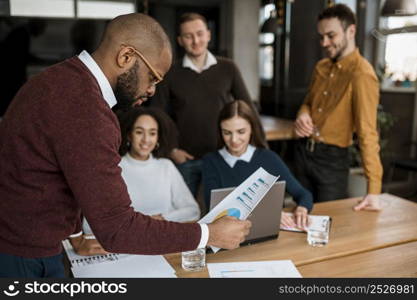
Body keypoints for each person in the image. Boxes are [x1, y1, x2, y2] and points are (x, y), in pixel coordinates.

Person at [0, 13, 251, 278]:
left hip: (24, 240)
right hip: (25, 256)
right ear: (126, 57)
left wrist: (75, 233)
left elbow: (56, 171)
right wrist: (210, 233)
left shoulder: (56, 79)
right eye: (153, 77)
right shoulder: (87, 110)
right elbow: (117, 228)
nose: (153, 90)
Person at [149, 12, 264, 198]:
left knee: (226, 212)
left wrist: (262, 151)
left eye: (200, 33)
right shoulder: (170, 73)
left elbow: (248, 109)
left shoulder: (228, 68)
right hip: (186, 159)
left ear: (209, 35)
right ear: (180, 40)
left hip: (224, 156)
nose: (196, 40)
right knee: (185, 215)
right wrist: (170, 150)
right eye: (188, 36)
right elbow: (156, 115)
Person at [293, 4, 383, 211]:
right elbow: (307, 102)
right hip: (303, 153)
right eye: (321, 36)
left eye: (331, 36)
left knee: (326, 224)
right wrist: (303, 115)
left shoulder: (362, 74)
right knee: (298, 218)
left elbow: (367, 132)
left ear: (351, 31)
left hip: (331, 162)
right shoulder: (321, 67)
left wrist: (373, 189)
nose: (324, 43)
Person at [79, 107, 201, 254]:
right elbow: (89, 224)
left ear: (158, 138)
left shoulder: (166, 166)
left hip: (164, 245)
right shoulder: (113, 168)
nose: (146, 140)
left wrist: (159, 219)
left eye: (152, 133)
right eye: (139, 132)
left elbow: (193, 211)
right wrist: (137, 226)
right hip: (123, 249)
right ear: (129, 135)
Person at [203, 100, 314, 229]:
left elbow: (303, 194)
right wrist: (269, 215)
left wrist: (302, 209)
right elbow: (215, 210)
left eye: (241, 132)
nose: (234, 140)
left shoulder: (269, 158)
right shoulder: (211, 161)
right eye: (227, 133)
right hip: (231, 235)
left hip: (269, 232)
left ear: (252, 129)